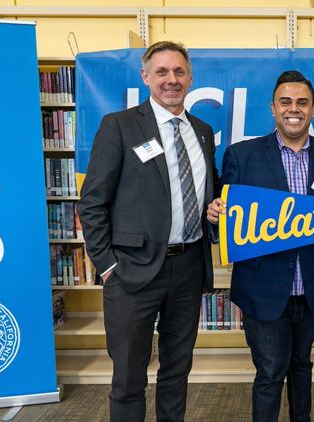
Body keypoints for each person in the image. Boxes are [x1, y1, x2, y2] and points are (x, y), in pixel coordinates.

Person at [77, 41, 220, 422]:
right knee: (128, 376)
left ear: (190, 78)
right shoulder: (120, 126)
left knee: (177, 370)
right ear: (146, 77)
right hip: (130, 272)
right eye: (162, 72)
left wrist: (213, 212)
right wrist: (107, 266)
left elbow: (207, 194)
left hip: (188, 268)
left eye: (178, 72)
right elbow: (91, 202)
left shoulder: (203, 131)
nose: (171, 80)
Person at [207, 70, 314, 422]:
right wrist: (216, 216)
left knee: (302, 364)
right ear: (272, 108)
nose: (294, 109)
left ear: (313, 109)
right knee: (271, 371)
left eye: (302, 102)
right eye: (285, 102)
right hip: (263, 290)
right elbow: (226, 222)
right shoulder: (241, 155)